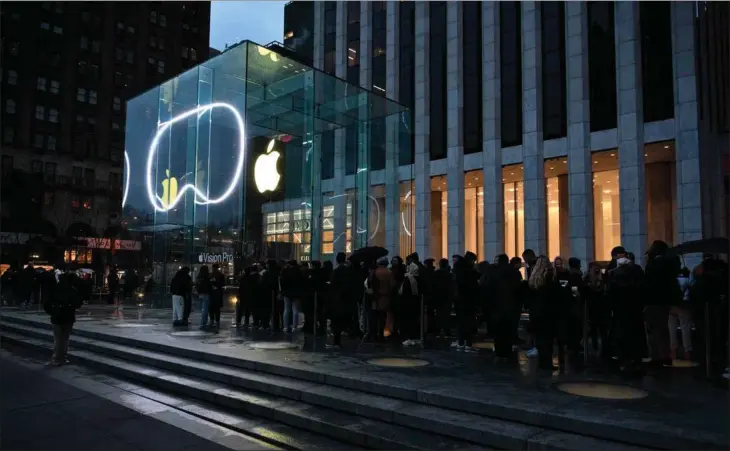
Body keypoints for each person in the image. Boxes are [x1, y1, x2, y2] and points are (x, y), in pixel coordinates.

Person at [607, 251, 646, 375]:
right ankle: (636, 361)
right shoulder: (637, 272)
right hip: (634, 310)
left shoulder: (615, 275)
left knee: (622, 336)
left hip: (621, 311)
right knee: (635, 335)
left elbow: (610, 294)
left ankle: (624, 361)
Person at [644, 240, 681, 367]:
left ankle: (656, 357)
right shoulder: (670, 264)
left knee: (653, 330)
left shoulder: (652, 265)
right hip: (665, 301)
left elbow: (648, 283)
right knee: (664, 329)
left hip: (652, 300)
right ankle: (665, 355)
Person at [528, 256, 568, 370]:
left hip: (536, 313)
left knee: (541, 340)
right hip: (549, 313)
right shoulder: (549, 278)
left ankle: (543, 364)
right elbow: (556, 294)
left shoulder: (533, 280)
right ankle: (547, 364)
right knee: (548, 340)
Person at [43, 263, 82, 366]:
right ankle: (62, 358)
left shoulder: (56, 289)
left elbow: (47, 302)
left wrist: (52, 311)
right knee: (65, 339)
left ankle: (56, 358)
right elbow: (78, 303)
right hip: (69, 317)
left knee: (58, 338)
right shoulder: (73, 290)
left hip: (57, 317)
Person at [486, 254, 522, 359]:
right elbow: (518, 288)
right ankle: (507, 350)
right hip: (511, 306)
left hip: (497, 306)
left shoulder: (493, 272)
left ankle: (499, 351)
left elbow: (488, 289)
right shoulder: (514, 272)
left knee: (499, 331)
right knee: (508, 330)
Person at [452, 253, 479, 352]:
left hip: (458, 300)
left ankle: (460, 342)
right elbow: (473, 284)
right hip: (468, 300)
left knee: (460, 322)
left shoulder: (457, 269)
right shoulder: (469, 271)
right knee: (468, 322)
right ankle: (468, 344)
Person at [365, 257, 395, 341]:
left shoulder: (373, 272)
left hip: (374, 297)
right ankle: (381, 335)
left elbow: (369, 284)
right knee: (382, 317)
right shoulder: (389, 272)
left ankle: (373, 334)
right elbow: (392, 286)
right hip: (385, 297)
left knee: (373, 317)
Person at [584, 262, 610, 359]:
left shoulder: (590, 280)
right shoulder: (602, 280)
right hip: (597, 309)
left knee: (597, 331)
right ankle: (601, 351)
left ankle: (598, 351)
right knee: (599, 331)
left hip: (596, 309)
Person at [329, 252, 353, 348]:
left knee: (336, 321)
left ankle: (337, 342)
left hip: (337, 300)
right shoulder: (349, 271)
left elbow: (333, 285)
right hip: (347, 299)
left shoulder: (336, 271)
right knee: (345, 319)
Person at [668, 267, 693, 361]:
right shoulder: (688, 280)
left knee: (671, 328)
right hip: (684, 305)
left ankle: (673, 350)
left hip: (671, 305)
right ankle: (687, 351)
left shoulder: (672, 280)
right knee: (685, 327)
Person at [400, 261, 421, 347]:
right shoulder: (417, 278)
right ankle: (414, 337)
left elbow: (404, 291)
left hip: (407, 302)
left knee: (408, 320)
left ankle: (408, 337)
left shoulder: (408, 278)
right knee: (414, 320)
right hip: (415, 302)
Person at [280, 260, 305, 334]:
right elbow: (301, 281)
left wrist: (283, 291)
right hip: (296, 293)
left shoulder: (285, 271)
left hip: (287, 293)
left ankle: (285, 327)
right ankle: (294, 327)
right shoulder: (298, 271)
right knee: (295, 310)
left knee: (286, 309)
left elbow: (282, 282)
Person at [432, 258, 453, 337]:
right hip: (447, 297)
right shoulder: (449, 275)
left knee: (439, 314)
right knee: (446, 315)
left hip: (438, 297)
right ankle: (446, 330)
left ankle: (438, 330)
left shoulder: (435, 274)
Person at [209, 263, 225, 329]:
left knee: (211, 307)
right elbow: (223, 284)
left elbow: (208, 283)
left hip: (211, 293)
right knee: (217, 308)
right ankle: (217, 320)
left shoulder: (210, 275)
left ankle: (212, 319)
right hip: (218, 293)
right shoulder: (221, 275)